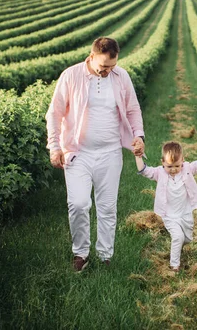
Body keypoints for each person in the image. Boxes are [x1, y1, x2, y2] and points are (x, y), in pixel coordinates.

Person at [46, 37, 145, 272]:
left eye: (112, 66)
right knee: (78, 204)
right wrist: (54, 146)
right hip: (78, 152)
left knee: (107, 207)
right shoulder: (71, 76)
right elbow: (54, 113)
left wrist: (138, 135)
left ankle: (105, 255)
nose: (107, 71)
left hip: (110, 152)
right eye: (103, 67)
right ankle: (80, 253)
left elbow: (133, 108)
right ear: (91, 57)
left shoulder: (121, 77)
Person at [135, 141, 197, 271]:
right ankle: (174, 266)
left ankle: (177, 246)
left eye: (177, 166)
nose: (173, 169)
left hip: (185, 214)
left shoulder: (188, 169)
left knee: (187, 239)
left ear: (183, 161)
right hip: (169, 215)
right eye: (169, 166)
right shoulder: (159, 173)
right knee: (178, 236)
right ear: (162, 162)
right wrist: (138, 156)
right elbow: (144, 170)